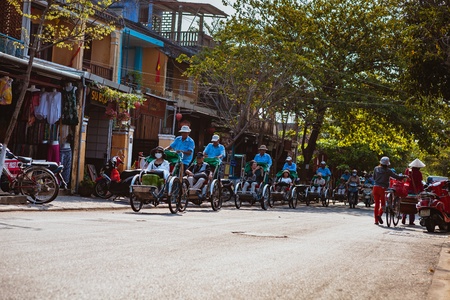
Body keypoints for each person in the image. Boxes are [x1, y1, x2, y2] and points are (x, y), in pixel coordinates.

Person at [372, 156, 408, 225]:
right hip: (382, 189)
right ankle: (379, 215)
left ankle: (376, 221)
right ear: (387, 164)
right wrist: (404, 176)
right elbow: (397, 177)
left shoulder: (376, 169)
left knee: (376, 204)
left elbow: (374, 178)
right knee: (383, 204)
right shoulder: (388, 171)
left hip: (375, 187)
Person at [402, 158, 425, 225]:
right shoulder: (419, 173)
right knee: (412, 205)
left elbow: (405, 179)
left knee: (405, 203)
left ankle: (404, 217)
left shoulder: (407, 170)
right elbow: (419, 183)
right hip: (414, 191)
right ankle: (411, 221)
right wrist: (422, 190)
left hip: (406, 189)